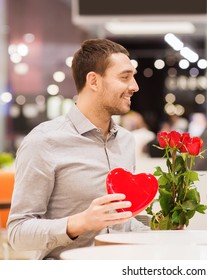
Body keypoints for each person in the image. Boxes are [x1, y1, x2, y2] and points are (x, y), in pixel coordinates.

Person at [7, 38, 149, 260]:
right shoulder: (44, 141)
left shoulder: (126, 141)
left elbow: (121, 221)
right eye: (125, 77)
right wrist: (79, 223)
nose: (134, 86)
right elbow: (17, 232)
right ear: (93, 81)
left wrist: (162, 233)